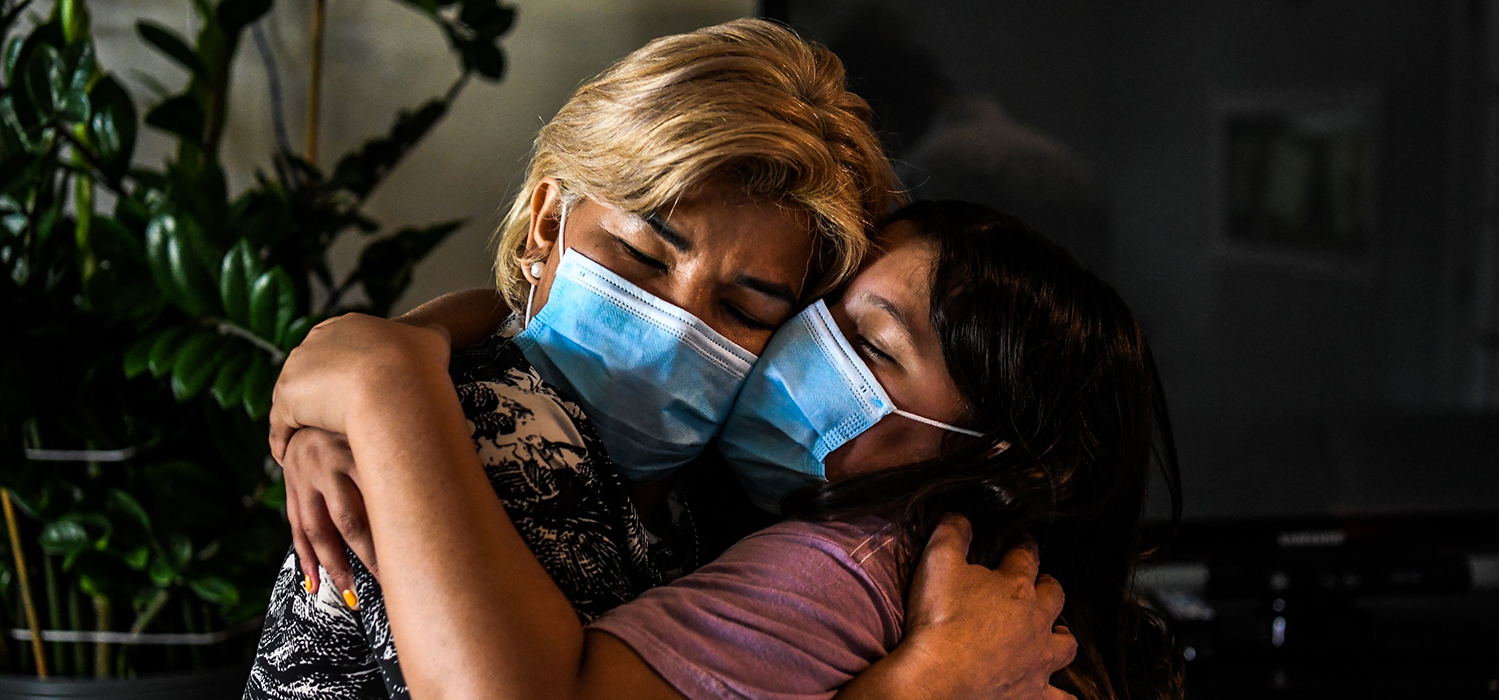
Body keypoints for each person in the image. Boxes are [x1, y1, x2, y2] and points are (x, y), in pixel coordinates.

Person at [244, 19, 1075, 700]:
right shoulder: (498, 431)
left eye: (746, 309)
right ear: (545, 224)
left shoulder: (703, 483)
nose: (676, 327)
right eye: (643, 258)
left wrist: (406, 343)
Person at [269, 200, 1185, 700]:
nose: (681, 333)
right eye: (813, 315)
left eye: (868, 347)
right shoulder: (743, 483)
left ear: (997, 452)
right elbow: (528, 317)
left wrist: (387, 385)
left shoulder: (839, 565)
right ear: (549, 217)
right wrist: (397, 356)